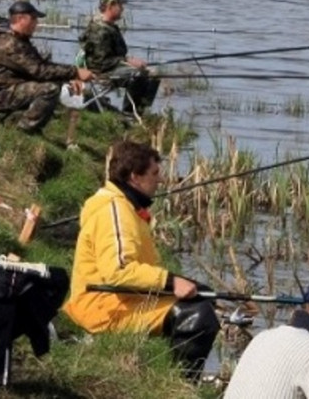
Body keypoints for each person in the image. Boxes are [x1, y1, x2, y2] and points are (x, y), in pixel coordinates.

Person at [64, 140, 220, 381]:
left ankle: (172, 378)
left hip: (121, 300)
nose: (160, 180)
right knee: (197, 317)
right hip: (101, 309)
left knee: (200, 298)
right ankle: (180, 387)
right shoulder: (114, 210)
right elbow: (118, 271)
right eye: (154, 173)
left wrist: (188, 284)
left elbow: (136, 271)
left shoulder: (126, 207)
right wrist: (170, 282)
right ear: (135, 177)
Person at [0, 1, 94, 134]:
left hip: (6, 89)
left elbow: (41, 66)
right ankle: (23, 129)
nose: (36, 24)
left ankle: (15, 119)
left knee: (55, 82)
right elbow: (39, 71)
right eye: (33, 19)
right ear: (21, 19)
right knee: (49, 89)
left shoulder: (19, 40)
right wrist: (75, 72)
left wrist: (68, 78)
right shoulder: (10, 43)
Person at [79, 0, 159, 115]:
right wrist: (127, 61)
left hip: (112, 66)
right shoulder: (100, 30)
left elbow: (112, 55)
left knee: (153, 74)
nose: (122, 9)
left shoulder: (110, 26)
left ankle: (140, 110)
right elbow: (101, 62)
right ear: (110, 7)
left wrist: (129, 60)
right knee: (138, 75)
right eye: (120, 6)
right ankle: (129, 113)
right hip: (102, 72)